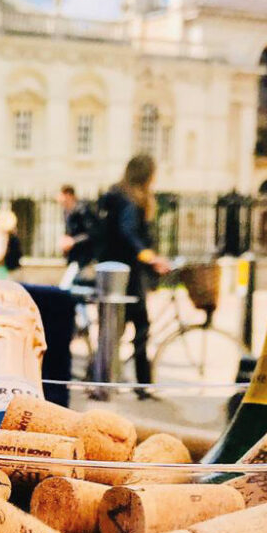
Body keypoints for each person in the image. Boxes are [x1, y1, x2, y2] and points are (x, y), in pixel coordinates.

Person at [97, 155, 170, 396]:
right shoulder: (130, 202)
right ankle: (141, 385)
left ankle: (104, 378)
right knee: (140, 328)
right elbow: (129, 234)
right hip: (128, 275)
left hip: (113, 271)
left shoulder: (118, 196)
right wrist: (150, 257)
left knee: (114, 330)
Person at [58, 184, 99, 289]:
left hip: (85, 258)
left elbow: (92, 233)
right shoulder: (66, 212)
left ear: (68, 195)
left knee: (69, 287)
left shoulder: (83, 210)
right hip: (74, 257)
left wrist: (73, 241)